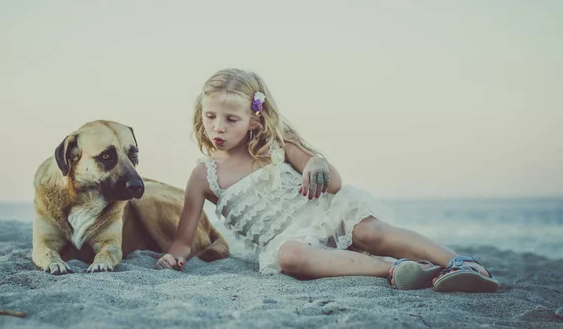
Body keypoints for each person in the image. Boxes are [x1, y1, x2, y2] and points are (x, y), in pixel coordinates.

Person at [155, 68, 499, 293]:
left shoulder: (277, 144)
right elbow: (184, 239)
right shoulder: (204, 176)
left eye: (231, 119)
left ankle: (457, 262)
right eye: (210, 116)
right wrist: (174, 256)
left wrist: (316, 161)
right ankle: (399, 270)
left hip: (327, 217)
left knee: (369, 230)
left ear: (254, 120)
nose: (218, 127)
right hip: (292, 242)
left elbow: (333, 183)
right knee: (289, 257)